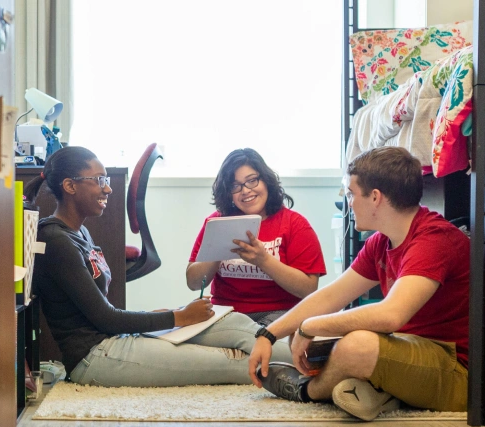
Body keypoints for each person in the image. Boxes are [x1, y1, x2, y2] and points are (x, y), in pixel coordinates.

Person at [25, 146, 293, 387]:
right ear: (70, 186)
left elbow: (104, 313)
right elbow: (106, 319)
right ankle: (315, 369)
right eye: (100, 181)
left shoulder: (79, 232)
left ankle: (315, 355)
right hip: (95, 356)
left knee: (233, 324)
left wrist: (170, 316)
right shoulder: (55, 240)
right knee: (232, 360)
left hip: (114, 339)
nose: (108, 188)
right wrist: (179, 317)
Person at [248, 146, 470, 421]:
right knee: (307, 331)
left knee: (355, 346)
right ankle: (376, 393)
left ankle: (307, 390)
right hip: (410, 347)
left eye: (352, 194)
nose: (348, 203)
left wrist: (311, 326)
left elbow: (391, 315)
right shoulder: (382, 240)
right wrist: (269, 334)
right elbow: (332, 296)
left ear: (375, 197)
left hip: (454, 369)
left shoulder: (433, 240)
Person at [186, 148, 326, 326]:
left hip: (281, 313)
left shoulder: (294, 224)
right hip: (227, 314)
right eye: (235, 186)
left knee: (263, 337)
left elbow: (308, 289)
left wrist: (264, 260)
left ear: (266, 181)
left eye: (252, 181)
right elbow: (193, 283)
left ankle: (252, 345)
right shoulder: (216, 222)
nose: (245, 191)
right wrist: (218, 247)